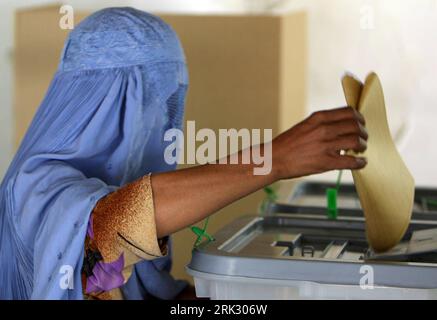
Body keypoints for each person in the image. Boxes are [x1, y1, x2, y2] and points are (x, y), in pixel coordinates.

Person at [0, 7, 368, 300]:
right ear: (111, 101)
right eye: (159, 100)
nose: (166, 119)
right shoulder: (33, 187)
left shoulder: (113, 186)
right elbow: (109, 225)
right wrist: (276, 159)